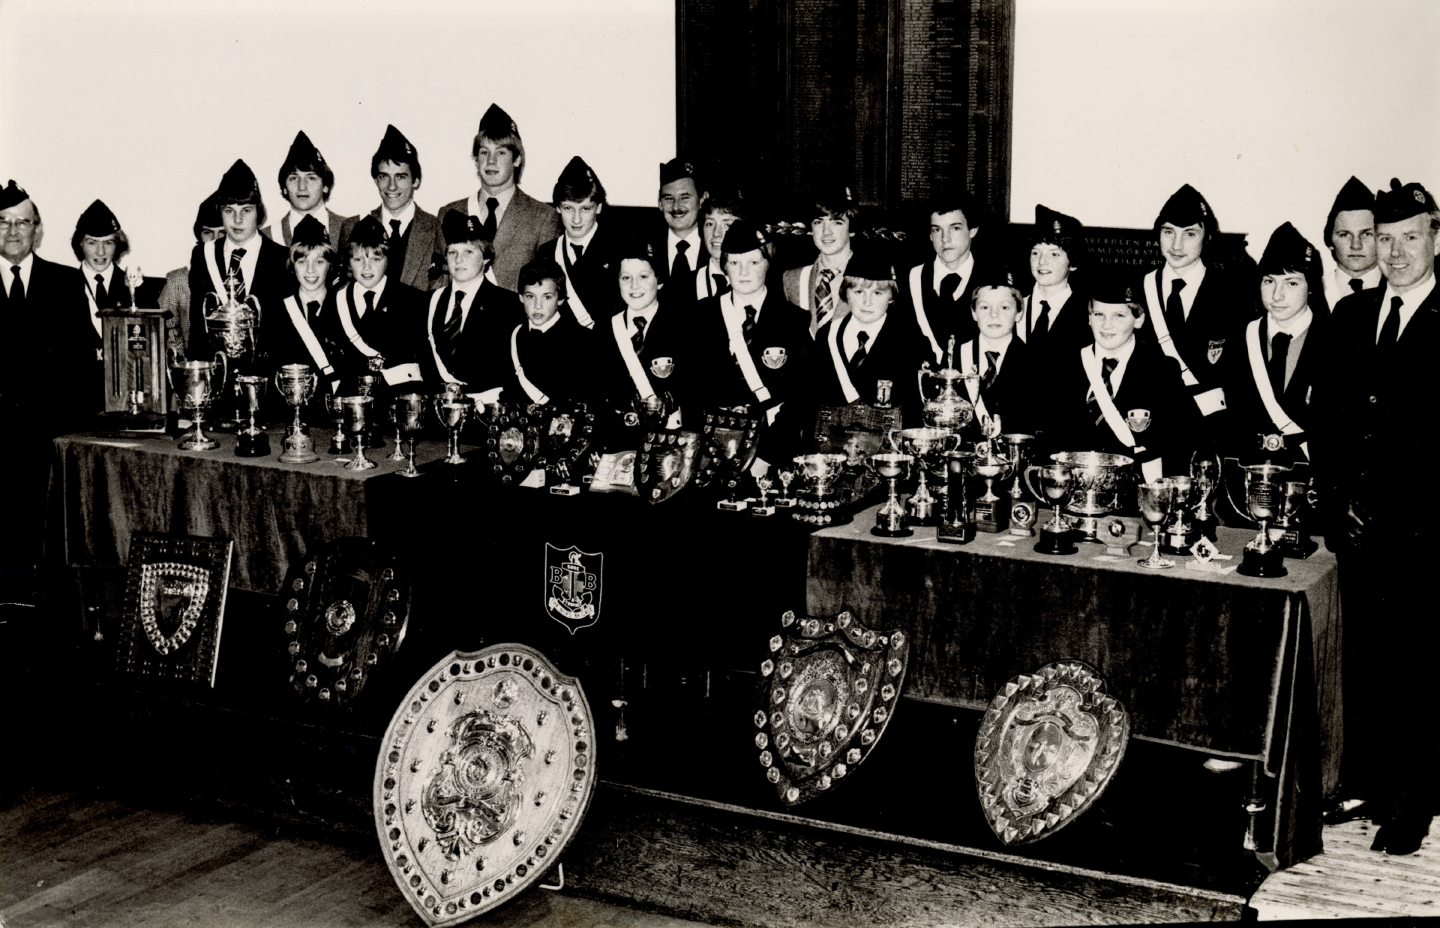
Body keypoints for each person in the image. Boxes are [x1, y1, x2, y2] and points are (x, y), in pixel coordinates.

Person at [1311, 179, 1439, 856]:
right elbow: (1326, 418)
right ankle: (1368, 782)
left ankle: (1414, 800)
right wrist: (1339, 501)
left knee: (1419, 662)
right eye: (1383, 240)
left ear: (1435, 239)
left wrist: (1390, 504)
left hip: (1423, 530)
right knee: (1364, 659)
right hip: (1354, 527)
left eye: (1408, 238)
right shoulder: (1351, 317)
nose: (1393, 252)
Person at [0, 179, 93, 591]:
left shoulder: (65, 283)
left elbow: (79, 365)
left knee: (48, 547)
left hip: (48, 438)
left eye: (23, 222)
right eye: (3, 223)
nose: (14, 231)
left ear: (37, 229)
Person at [1034, 268, 1199, 484]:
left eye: (1119, 315)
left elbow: (1183, 441)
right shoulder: (1064, 367)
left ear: (1138, 320)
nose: (1107, 325)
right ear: (1089, 318)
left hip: (1134, 494)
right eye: (1099, 314)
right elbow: (1049, 437)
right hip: (1075, 489)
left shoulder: (1161, 370)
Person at [687, 219, 811, 476]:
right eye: (734, 263)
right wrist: (705, 449)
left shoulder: (793, 319)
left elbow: (802, 395)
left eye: (753, 263)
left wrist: (767, 455)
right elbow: (690, 391)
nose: (743, 272)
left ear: (767, 264)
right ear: (724, 267)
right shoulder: (701, 316)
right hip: (712, 450)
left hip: (770, 451)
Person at [1135, 184, 1252, 436]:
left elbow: (1243, 376)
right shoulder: (1136, 289)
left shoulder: (1234, 295)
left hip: (1210, 429)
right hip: (1150, 429)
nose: (1176, 245)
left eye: (1189, 234)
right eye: (1168, 232)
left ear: (1206, 237)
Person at [186, 159, 292, 424]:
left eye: (246, 210)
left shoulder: (281, 259)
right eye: (228, 210)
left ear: (259, 211)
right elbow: (198, 328)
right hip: (216, 393)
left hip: (268, 394)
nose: (237, 219)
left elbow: (287, 333)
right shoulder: (203, 255)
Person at [1220, 222, 1327, 470]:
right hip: (1247, 470)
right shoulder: (1240, 337)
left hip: (1311, 475)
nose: (1277, 295)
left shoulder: (1335, 340)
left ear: (1311, 287)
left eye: (1291, 283)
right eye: (1269, 281)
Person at [437, 104, 560, 292]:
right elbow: (439, 281)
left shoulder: (542, 218)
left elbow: (546, 290)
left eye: (501, 152)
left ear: (517, 159)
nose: (491, 161)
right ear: (476, 159)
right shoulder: (450, 213)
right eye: (484, 152)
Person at [802, 247, 930, 427]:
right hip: (830, 447)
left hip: (890, 450)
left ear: (891, 296)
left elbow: (920, 407)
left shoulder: (910, 339)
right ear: (845, 293)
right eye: (858, 292)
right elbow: (801, 398)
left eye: (878, 293)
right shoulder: (827, 336)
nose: (867, 302)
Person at [419, 211, 523, 402]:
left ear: (485, 258)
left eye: (468, 251)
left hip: (486, 409)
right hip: (437, 410)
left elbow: (511, 370)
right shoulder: (428, 303)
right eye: (452, 252)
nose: (458, 260)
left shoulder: (508, 305)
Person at [318, 214, 424, 394]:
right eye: (358, 260)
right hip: (351, 399)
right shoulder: (335, 300)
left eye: (376, 259)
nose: (366, 268)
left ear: (388, 260)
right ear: (349, 263)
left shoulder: (413, 300)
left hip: (399, 397)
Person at [597, 239, 690, 440]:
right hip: (615, 439)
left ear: (659, 280)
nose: (634, 286)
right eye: (626, 277)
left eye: (643, 277)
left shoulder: (681, 327)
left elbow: (692, 393)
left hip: (667, 438)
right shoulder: (605, 329)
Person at [70, 199, 164, 394]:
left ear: (118, 244)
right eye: (92, 242)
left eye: (108, 242)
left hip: (128, 392)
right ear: (80, 243)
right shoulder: (63, 287)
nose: (101, 252)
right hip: (78, 394)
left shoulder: (139, 288)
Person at [340, 124, 443, 292]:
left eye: (400, 177)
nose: (392, 186)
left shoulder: (436, 228)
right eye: (384, 177)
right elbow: (344, 289)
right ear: (375, 180)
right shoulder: (352, 227)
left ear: (415, 180)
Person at [903, 189, 993, 363]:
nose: (945, 239)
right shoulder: (910, 278)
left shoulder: (994, 280)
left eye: (955, 228)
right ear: (930, 235)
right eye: (937, 230)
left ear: (973, 230)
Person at [950, 267, 1038, 439]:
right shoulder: (954, 358)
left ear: (1019, 313)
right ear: (974, 313)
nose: (993, 314)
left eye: (1004, 307)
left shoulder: (1035, 361)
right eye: (984, 307)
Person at [536, 156, 619, 329]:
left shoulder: (619, 248)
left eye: (585, 209)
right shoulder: (547, 253)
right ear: (557, 208)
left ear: (599, 207)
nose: (576, 219)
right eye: (568, 208)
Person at [500, 256, 594, 408]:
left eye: (547, 297)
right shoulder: (513, 336)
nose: (538, 306)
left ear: (561, 299)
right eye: (530, 296)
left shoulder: (583, 340)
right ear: (521, 297)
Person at [269, 215, 342, 408]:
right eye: (302, 261)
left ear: (330, 265)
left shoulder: (344, 306)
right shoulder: (276, 310)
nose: (310, 271)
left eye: (319, 261)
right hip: (285, 411)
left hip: (332, 413)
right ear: (292, 265)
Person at [1018, 204, 1092, 367]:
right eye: (1036, 253)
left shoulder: (1087, 314)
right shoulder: (1014, 307)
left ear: (1073, 262)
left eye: (1054, 254)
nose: (1042, 261)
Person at [782, 184, 859, 335]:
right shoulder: (792, 279)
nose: (826, 232)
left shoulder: (873, 279)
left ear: (852, 229)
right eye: (818, 222)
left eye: (836, 222)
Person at [159, 192, 224, 359]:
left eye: (222, 233)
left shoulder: (241, 274)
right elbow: (166, 333)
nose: (215, 240)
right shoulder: (178, 281)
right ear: (199, 235)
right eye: (208, 233)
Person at [267, 130, 350, 247]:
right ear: (284, 187)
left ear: (325, 186)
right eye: (293, 178)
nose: (302, 187)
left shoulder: (349, 229)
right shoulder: (268, 236)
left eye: (311, 178)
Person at [1321, 176, 1381, 312]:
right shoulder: (1312, 290)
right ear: (1330, 241)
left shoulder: (1399, 287)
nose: (1356, 245)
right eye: (1344, 234)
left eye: (1366, 234)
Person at [653, 158, 707, 288]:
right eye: (669, 198)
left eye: (685, 197)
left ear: (702, 200)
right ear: (659, 203)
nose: (676, 206)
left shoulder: (714, 246)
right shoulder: (645, 245)